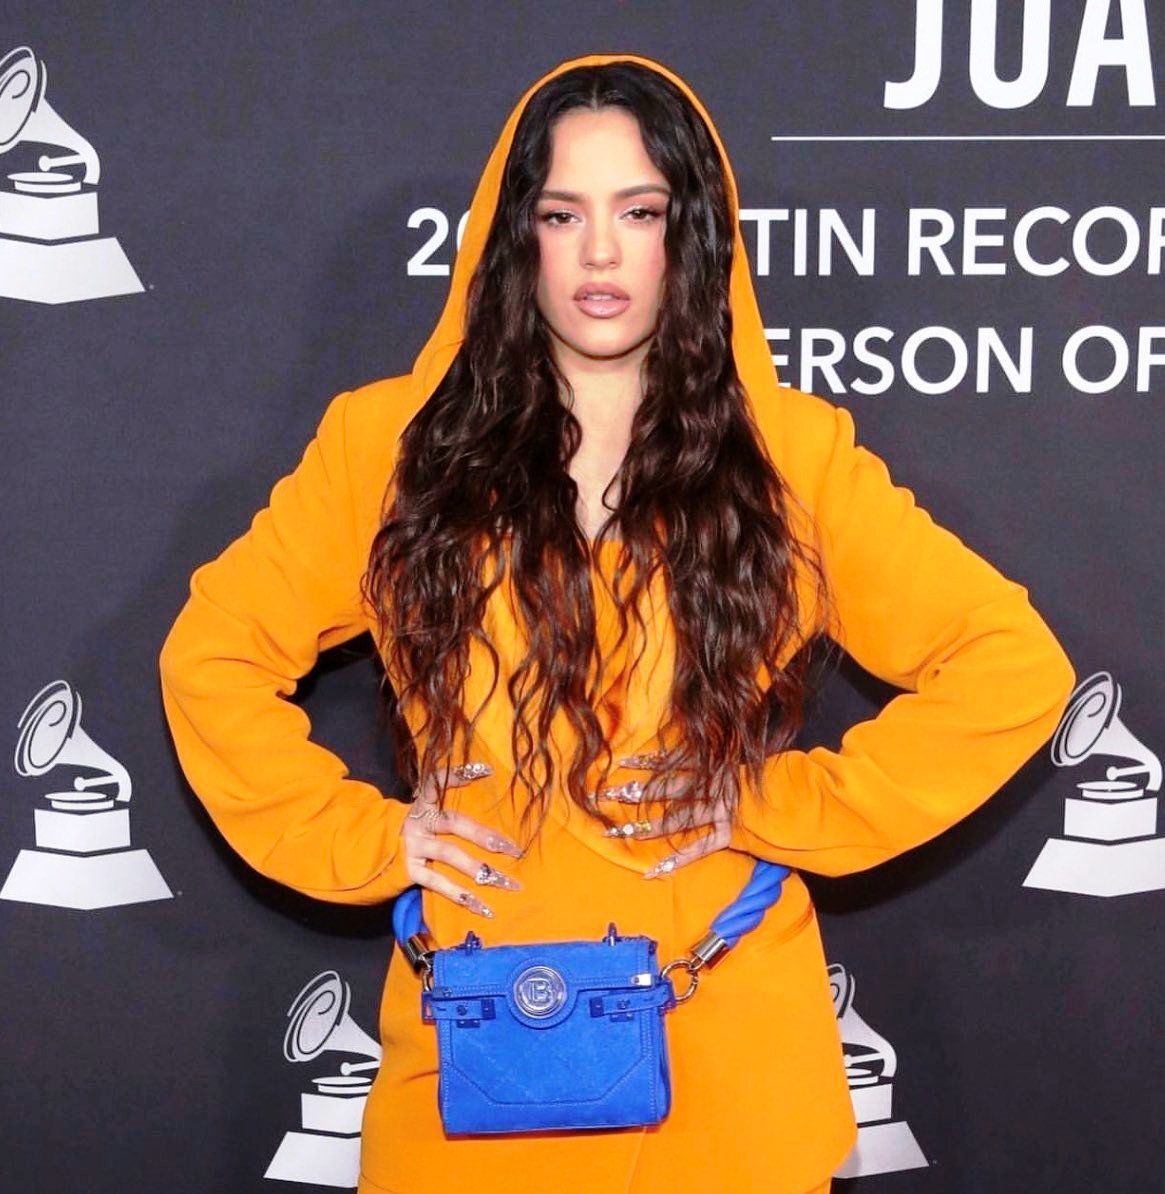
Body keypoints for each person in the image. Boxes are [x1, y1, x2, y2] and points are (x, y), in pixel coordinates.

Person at [158, 52, 1076, 1194]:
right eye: (563, 214)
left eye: (639, 212)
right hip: (475, 1056)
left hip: (723, 1055)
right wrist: (364, 840)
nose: (600, 253)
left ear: (690, 236)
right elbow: (214, 657)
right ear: (516, 237)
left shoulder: (791, 457)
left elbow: (1007, 665)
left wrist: (777, 804)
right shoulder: (390, 449)